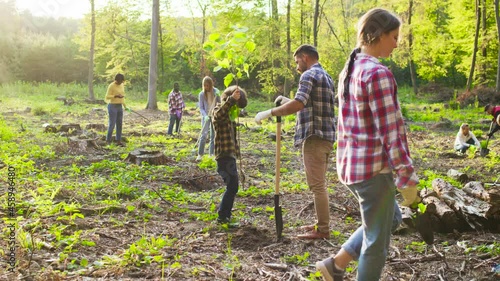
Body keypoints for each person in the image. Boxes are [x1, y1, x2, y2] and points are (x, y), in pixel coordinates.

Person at [314, 8, 420, 281]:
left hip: (351, 166)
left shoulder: (350, 68)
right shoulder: (378, 74)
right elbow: (392, 133)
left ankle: (336, 265)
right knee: (377, 241)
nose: (397, 43)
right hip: (372, 172)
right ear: (378, 35)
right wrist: (406, 178)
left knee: (390, 218)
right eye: (394, 37)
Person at [255, 44, 336, 239]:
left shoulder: (308, 76)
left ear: (305, 57)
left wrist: (270, 112)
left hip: (313, 137)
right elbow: (310, 101)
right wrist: (287, 100)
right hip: (326, 137)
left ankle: (323, 230)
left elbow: (299, 104)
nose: (296, 66)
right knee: (319, 183)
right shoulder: (327, 77)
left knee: (317, 185)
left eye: (297, 61)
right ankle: (320, 224)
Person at [212, 85, 248, 224]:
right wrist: (231, 100)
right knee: (232, 186)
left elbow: (233, 140)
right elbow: (219, 115)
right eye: (236, 106)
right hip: (223, 156)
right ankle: (222, 216)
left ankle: (225, 215)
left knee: (233, 186)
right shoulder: (219, 111)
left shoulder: (231, 117)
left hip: (230, 156)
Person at [197, 76, 221, 160]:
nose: (206, 87)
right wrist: (204, 115)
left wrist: (219, 96)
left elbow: (219, 104)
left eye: (208, 85)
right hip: (206, 116)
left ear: (211, 85)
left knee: (213, 135)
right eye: (205, 85)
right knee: (203, 135)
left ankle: (211, 154)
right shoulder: (201, 94)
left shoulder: (215, 92)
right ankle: (200, 154)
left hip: (214, 116)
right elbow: (201, 107)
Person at [104, 73, 128, 146]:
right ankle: (108, 140)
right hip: (112, 106)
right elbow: (107, 97)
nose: (121, 83)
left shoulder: (122, 85)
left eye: (122, 81)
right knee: (112, 123)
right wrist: (115, 96)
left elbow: (123, 96)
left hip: (119, 106)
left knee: (119, 123)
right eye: (120, 81)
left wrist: (125, 106)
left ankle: (118, 140)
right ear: (116, 80)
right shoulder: (111, 86)